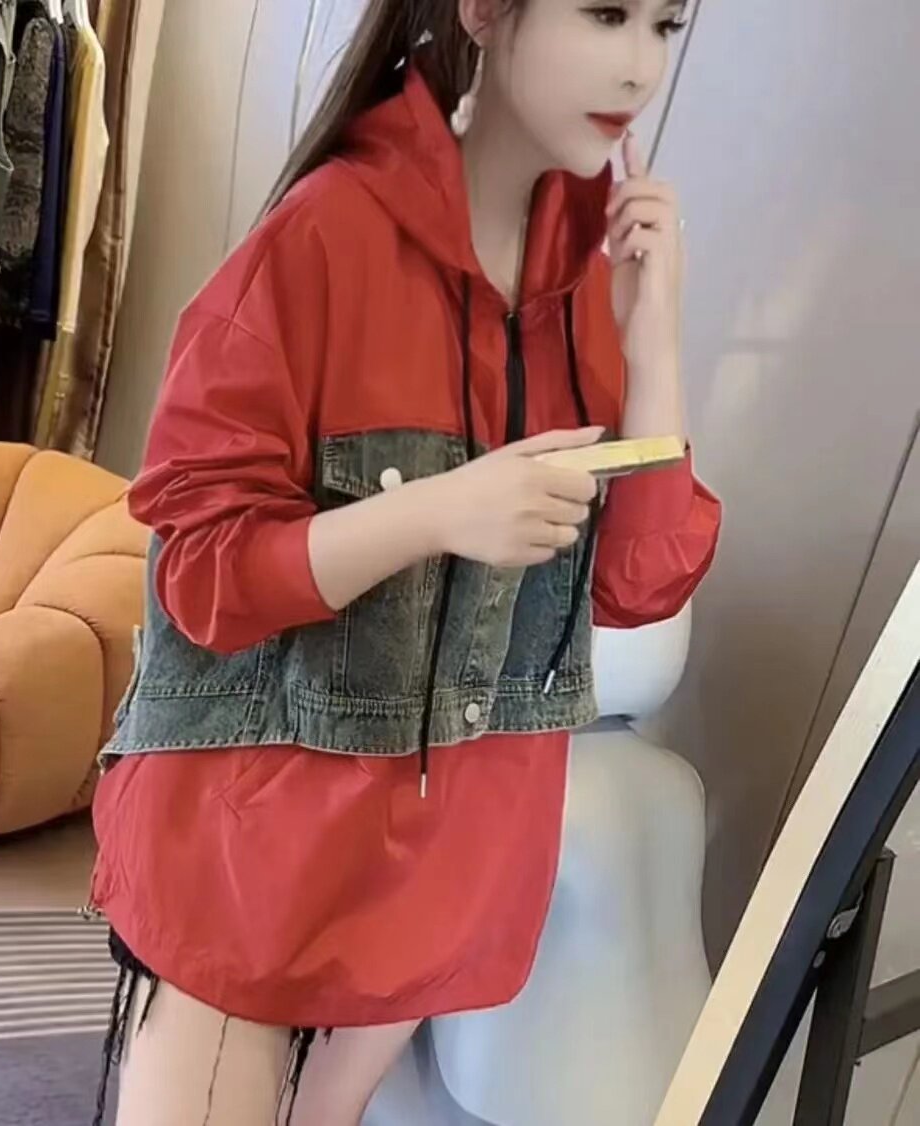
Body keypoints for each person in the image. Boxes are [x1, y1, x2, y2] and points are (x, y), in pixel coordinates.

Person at [88, 0, 721, 1122]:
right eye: (606, 14)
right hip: (260, 841)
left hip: (441, 859)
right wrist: (436, 512)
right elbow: (202, 575)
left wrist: (655, 337)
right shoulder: (324, 237)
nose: (640, 67)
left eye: (665, 26)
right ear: (483, 11)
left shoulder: (584, 285)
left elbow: (639, 583)